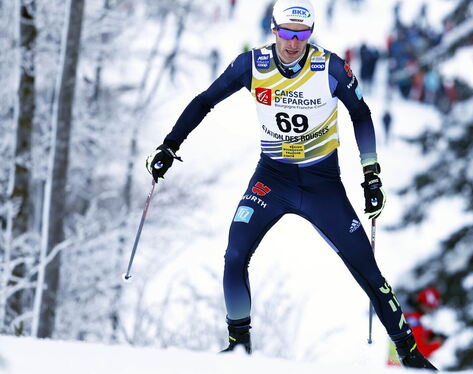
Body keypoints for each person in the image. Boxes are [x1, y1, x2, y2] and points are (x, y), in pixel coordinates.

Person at [145, 0, 436, 370]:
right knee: (234, 256)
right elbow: (204, 101)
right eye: (286, 32)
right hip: (272, 180)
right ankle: (238, 346)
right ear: (273, 28)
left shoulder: (330, 67)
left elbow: (360, 115)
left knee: (367, 270)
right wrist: (170, 145)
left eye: (302, 34)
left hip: (322, 185)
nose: (294, 42)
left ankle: (409, 354)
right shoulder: (252, 65)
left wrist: (371, 174)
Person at [387, 287, 446, 366]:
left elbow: (416, 336)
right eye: (430, 307)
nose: (431, 310)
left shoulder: (408, 315)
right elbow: (419, 352)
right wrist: (437, 344)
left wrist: (430, 335)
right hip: (400, 367)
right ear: (423, 304)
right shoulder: (412, 319)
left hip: (396, 365)